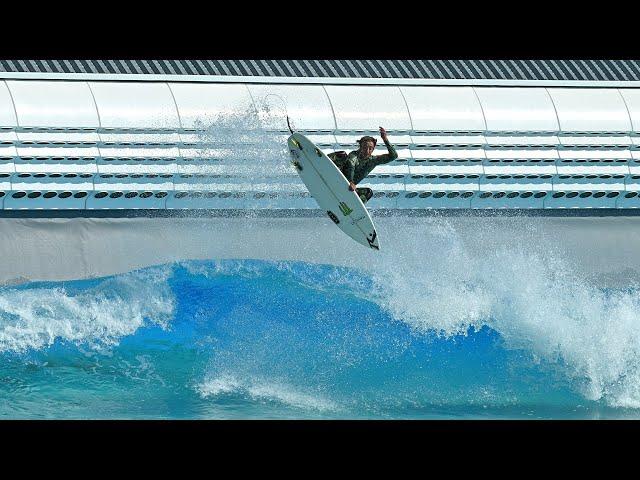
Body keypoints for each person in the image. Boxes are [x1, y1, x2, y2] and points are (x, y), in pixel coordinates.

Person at [327, 126, 398, 204]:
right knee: (341, 155)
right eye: (364, 147)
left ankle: (351, 209)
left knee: (368, 193)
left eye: (370, 148)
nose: (367, 151)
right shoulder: (354, 155)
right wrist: (350, 182)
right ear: (360, 147)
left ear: (373, 149)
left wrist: (385, 139)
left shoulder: (373, 160)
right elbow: (350, 165)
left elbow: (393, 156)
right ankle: (321, 163)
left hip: (348, 190)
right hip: (337, 180)